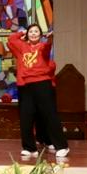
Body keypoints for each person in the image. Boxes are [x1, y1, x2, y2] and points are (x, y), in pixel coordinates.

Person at [7, 24, 69, 159]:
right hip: (26, 86)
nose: (33, 34)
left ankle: (62, 146)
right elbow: (11, 40)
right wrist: (21, 33)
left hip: (42, 84)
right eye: (31, 31)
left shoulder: (42, 47)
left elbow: (47, 48)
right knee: (26, 117)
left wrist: (50, 40)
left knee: (49, 115)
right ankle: (29, 148)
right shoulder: (22, 48)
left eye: (36, 32)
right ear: (27, 34)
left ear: (40, 35)